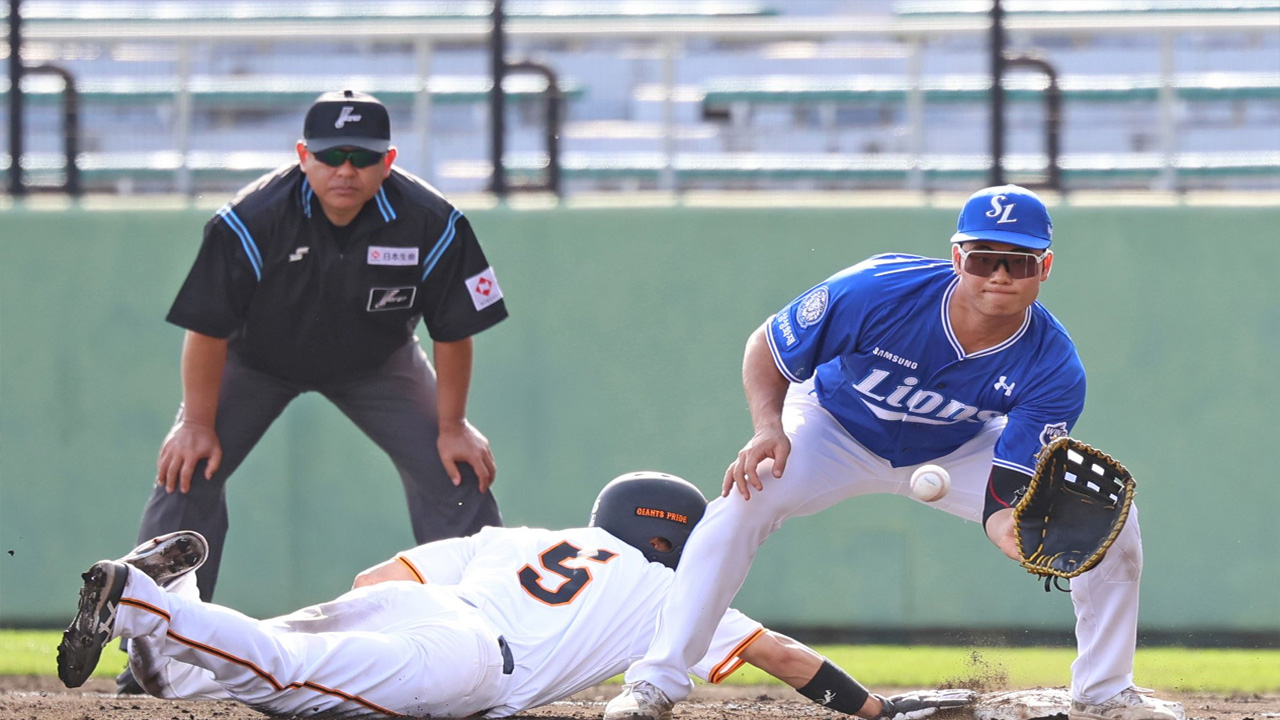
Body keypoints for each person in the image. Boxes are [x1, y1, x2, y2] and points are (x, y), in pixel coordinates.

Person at [605, 186, 1186, 720]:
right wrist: (767, 426)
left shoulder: (1054, 365)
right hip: (832, 427)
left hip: (957, 449)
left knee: (1114, 522)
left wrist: (1004, 523)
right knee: (741, 504)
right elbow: (769, 345)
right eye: (984, 258)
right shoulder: (878, 290)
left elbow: (1010, 477)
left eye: (1020, 261)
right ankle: (655, 683)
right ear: (957, 258)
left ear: (1046, 267)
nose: (1000, 274)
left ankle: (1104, 692)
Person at [58, 472, 976, 719]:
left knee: (256, 656)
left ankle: (168, 608)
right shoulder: (671, 591)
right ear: (678, 541)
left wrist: (359, 625)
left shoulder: (527, 538)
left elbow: (378, 582)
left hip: (422, 607)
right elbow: (781, 656)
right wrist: (876, 710)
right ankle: (142, 597)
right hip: (468, 660)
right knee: (291, 675)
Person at [135, 89, 508, 603]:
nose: (345, 170)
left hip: (379, 363)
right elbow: (207, 328)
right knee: (187, 468)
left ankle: (491, 624)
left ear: (388, 161)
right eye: (331, 155)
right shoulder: (250, 219)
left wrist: (453, 426)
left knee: (457, 468)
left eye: (363, 157)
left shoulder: (433, 222)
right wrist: (196, 424)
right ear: (303, 156)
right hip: (256, 360)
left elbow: (452, 330)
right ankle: (155, 632)